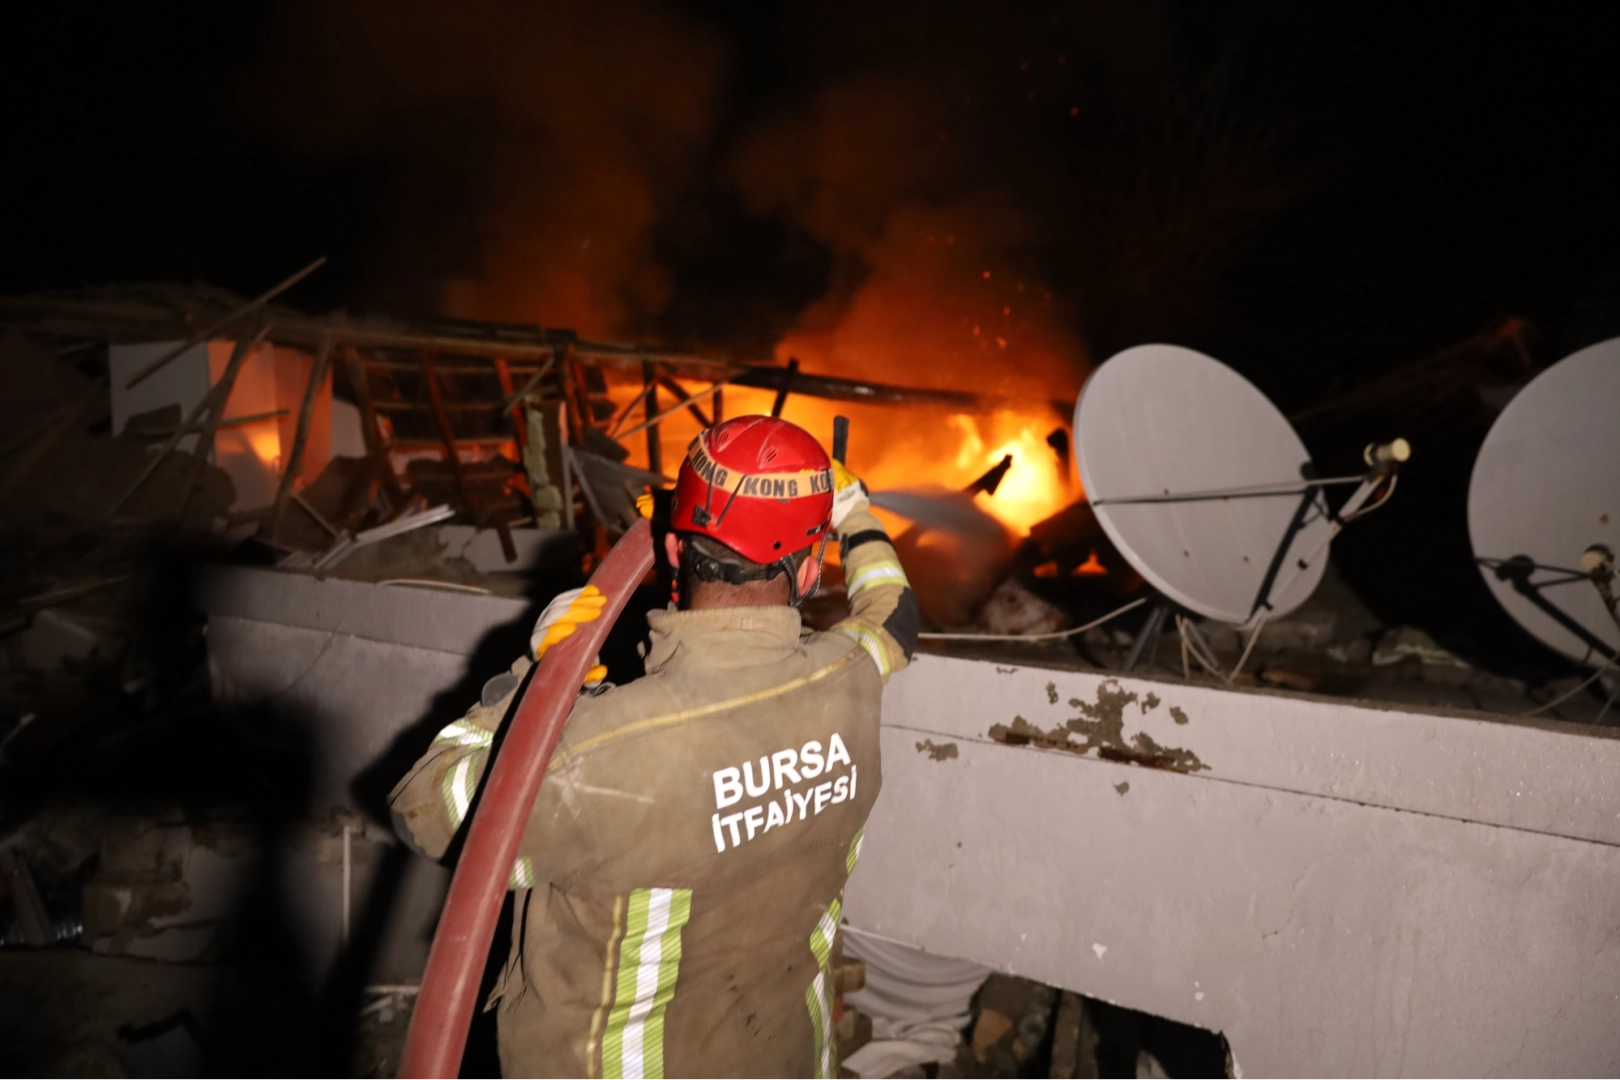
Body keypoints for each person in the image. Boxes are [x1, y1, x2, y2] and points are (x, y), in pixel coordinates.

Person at [390, 414, 919, 1080]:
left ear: (672, 550)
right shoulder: (852, 676)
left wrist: (534, 679)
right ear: (812, 568)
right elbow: (894, 612)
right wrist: (853, 509)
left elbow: (425, 812)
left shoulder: (598, 749)